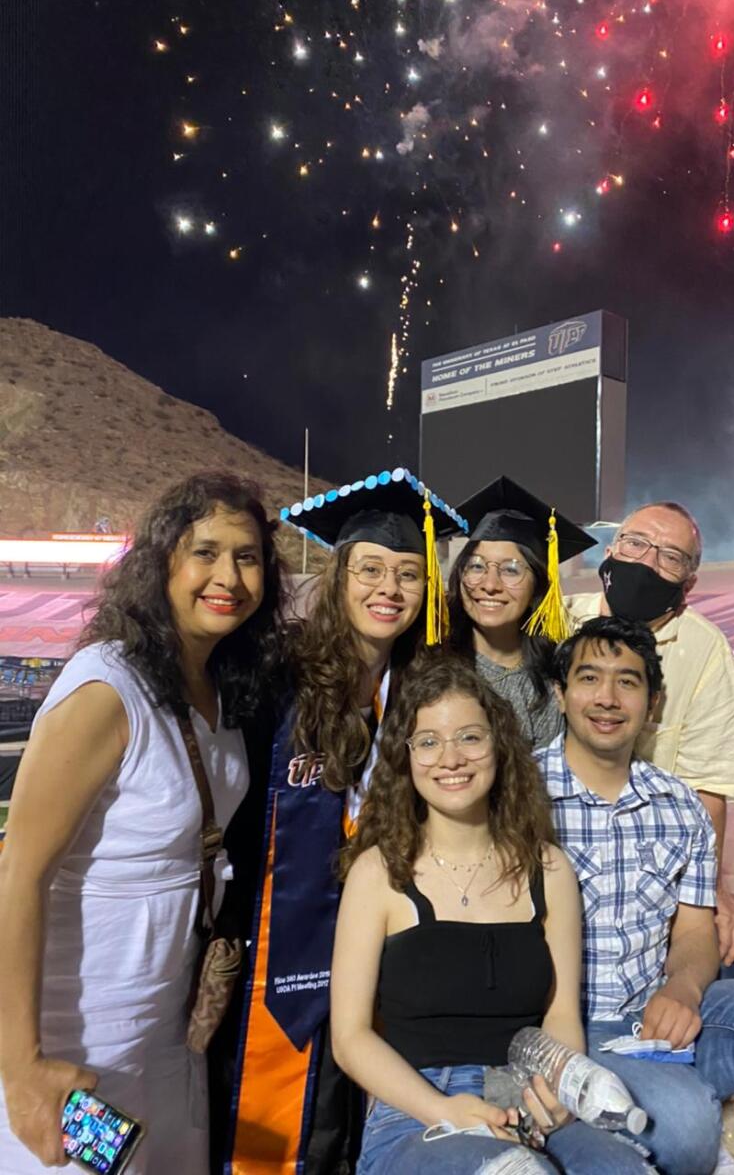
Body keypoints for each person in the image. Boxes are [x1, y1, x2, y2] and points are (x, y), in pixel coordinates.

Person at [0, 472, 286, 1174]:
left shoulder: (218, 692)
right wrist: (22, 1067)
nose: (228, 577)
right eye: (206, 553)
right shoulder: (109, 687)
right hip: (76, 1051)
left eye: (247, 557)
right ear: (162, 563)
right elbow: (18, 873)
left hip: (170, 1042)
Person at [222, 469, 467, 1174]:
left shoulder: (422, 696)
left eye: (408, 574)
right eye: (370, 569)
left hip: (371, 949)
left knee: (346, 1114)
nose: (388, 589)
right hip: (267, 950)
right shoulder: (277, 679)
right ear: (338, 576)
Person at [537, 616, 734, 1175]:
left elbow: (695, 929)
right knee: (682, 1124)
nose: (607, 698)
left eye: (627, 682)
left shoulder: (678, 806)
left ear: (653, 705)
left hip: (655, 1015)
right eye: (589, 679)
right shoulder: (519, 800)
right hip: (567, 1025)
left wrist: (683, 985)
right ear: (560, 694)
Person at [331, 653, 653, 1174]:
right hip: (418, 1105)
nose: (450, 758)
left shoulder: (548, 869)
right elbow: (350, 1038)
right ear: (407, 758)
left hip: (527, 1092)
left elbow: (561, 1017)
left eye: (469, 737)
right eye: (429, 741)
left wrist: (552, 1093)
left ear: (498, 746)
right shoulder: (379, 873)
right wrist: (442, 1109)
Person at [564, 502, 734, 968]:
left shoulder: (703, 648)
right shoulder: (559, 620)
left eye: (670, 556)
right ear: (612, 549)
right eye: (636, 543)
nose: (646, 562)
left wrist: (709, 891)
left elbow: (708, 782)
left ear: (688, 585)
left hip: (649, 860)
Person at [445, 476, 595, 749]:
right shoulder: (430, 659)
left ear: (538, 584)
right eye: (476, 566)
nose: (489, 585)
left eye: (511, 570)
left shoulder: (555, 678)